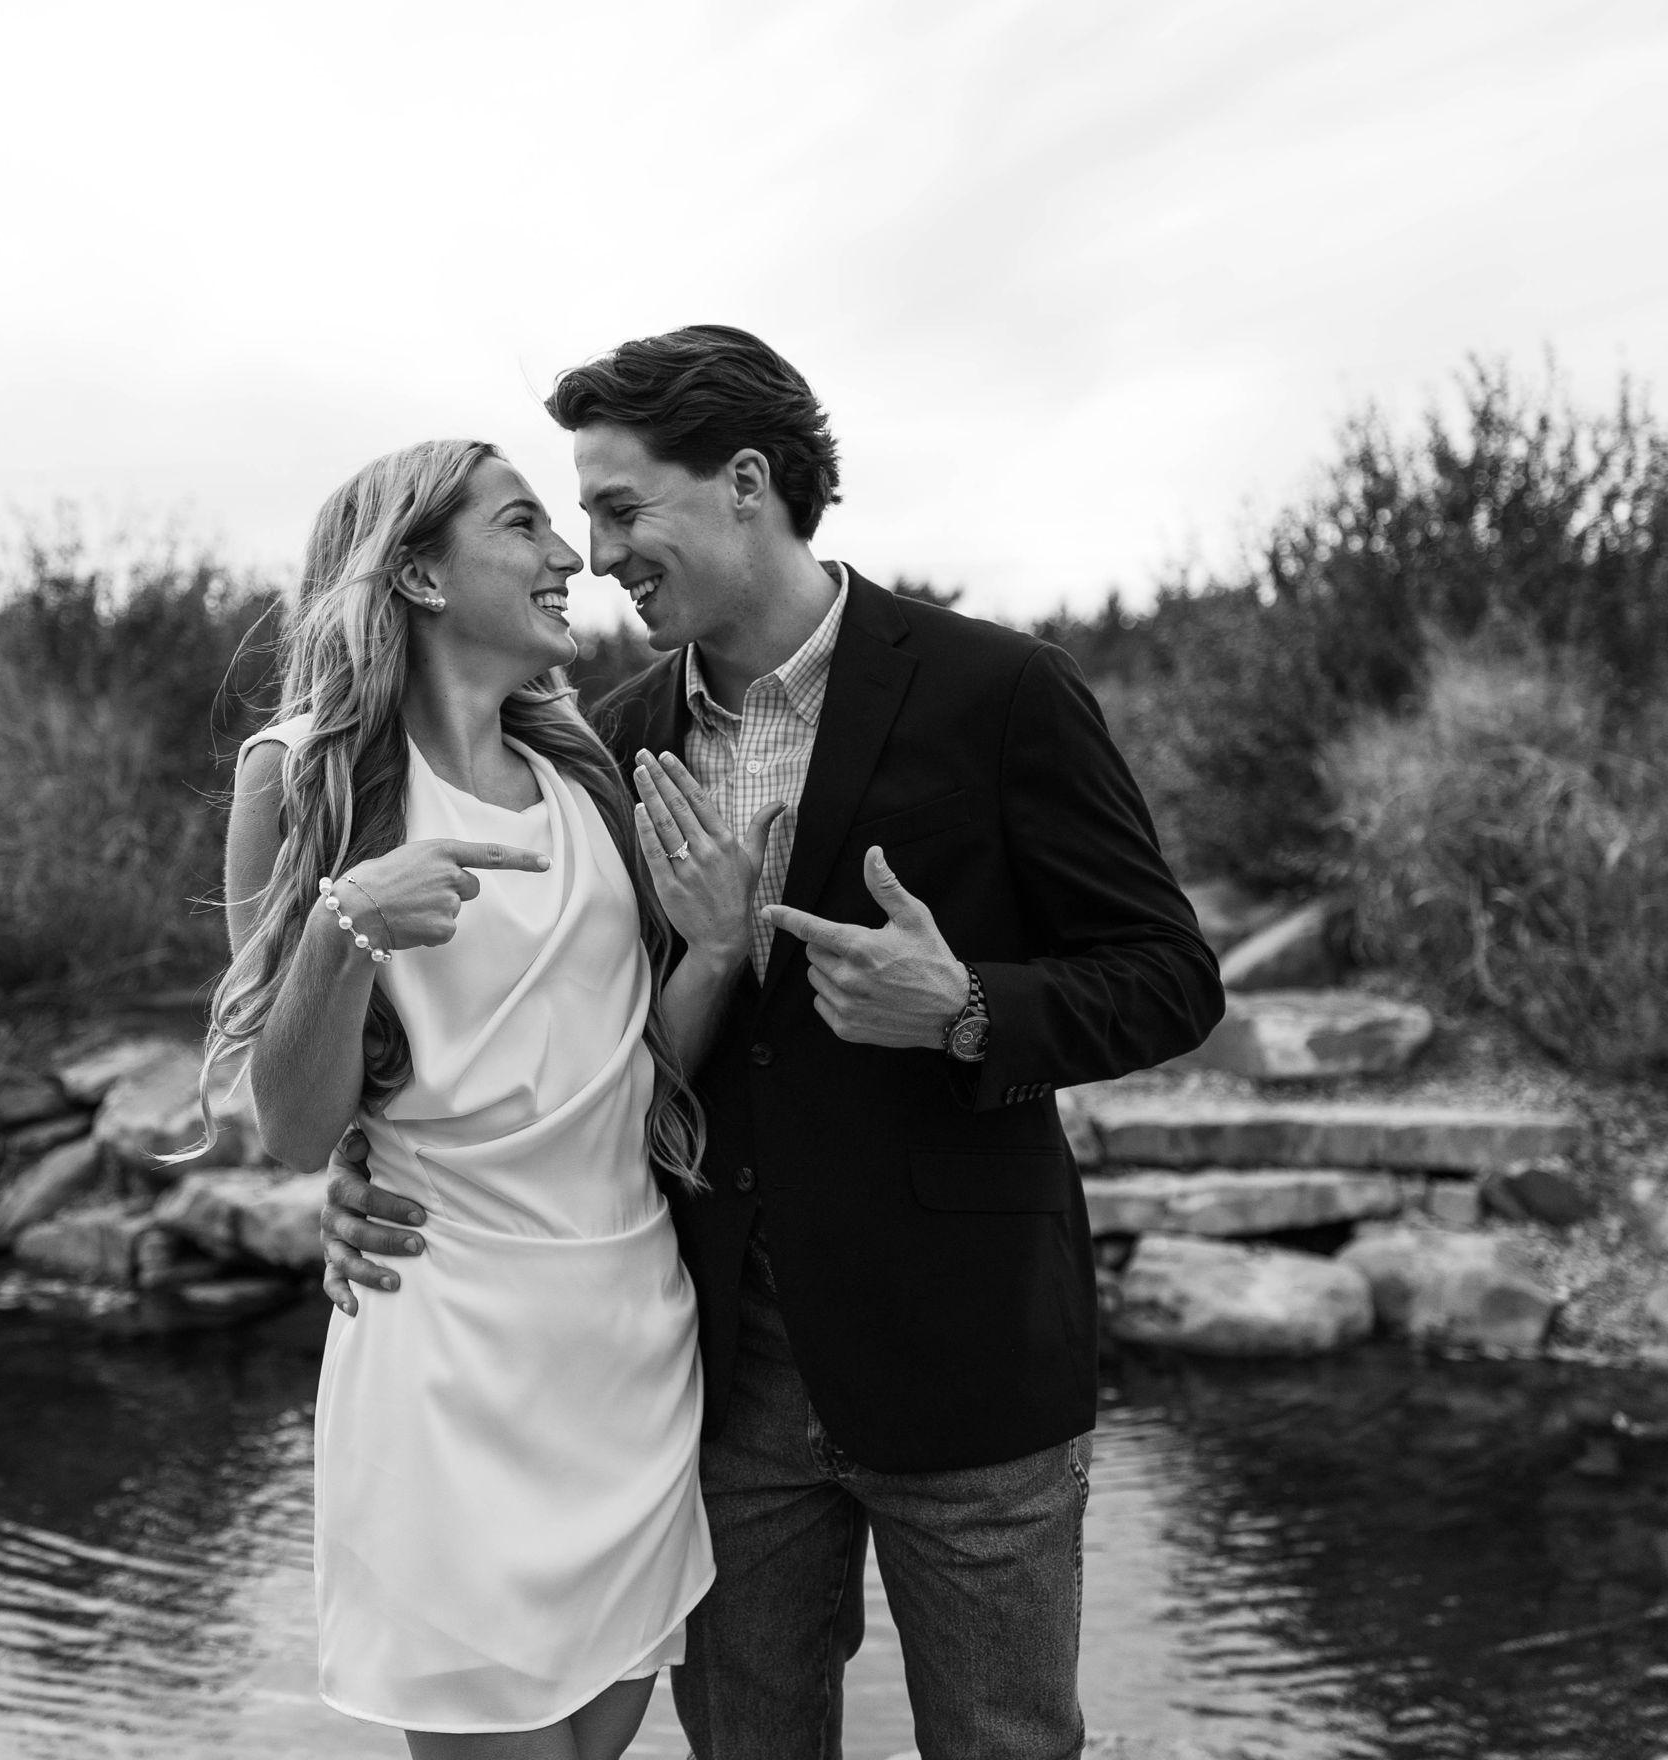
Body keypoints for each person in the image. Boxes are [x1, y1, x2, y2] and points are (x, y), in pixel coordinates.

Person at [323, 328, 1225, 1760]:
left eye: (623, 507)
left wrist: (969, 1006)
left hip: (967, 1360)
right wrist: (370, 1150)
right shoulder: (602, 744)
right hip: (707, 1379)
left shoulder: (1001, 690)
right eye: (579, 516)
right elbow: (566, 1031)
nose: (598, 554)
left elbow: (1171, 978)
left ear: (745, 482)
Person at [217, 438, 786, 1760]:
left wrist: (712, 953)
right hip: (449, 1349)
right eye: (525, 525)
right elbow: (293, 1129)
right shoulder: (300, 774)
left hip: (630, 1338)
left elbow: (625, 1077)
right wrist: (345, 927)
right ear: (418, 572)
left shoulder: (586, 769)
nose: (570, 555)